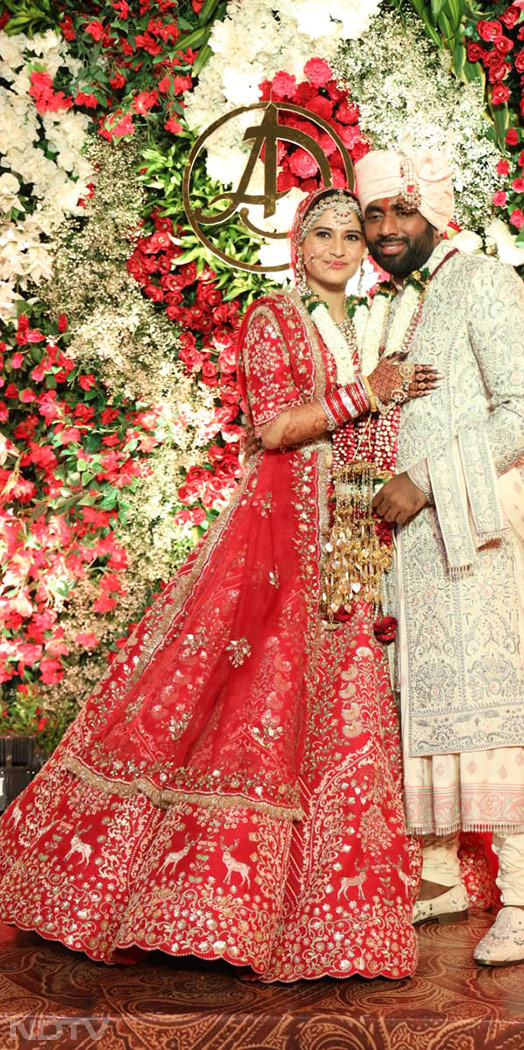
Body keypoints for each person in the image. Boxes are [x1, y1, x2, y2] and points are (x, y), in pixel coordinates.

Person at [0, 187, 440, 982]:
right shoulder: (275, 316)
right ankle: (179, 897)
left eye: (351, 234)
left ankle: (328, 919)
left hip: (344, 539)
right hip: (276, 538)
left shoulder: (364, 325)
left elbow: (368, 434)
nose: (340, 247)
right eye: (323, 234)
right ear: (297, 246)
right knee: (241, 703)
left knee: (342, 711)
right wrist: (369, 391)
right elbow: (273, 426)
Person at [354, 147, 524, 966]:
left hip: (471, 530)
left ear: (435, 210)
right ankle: (441, 877)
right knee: (424, 698)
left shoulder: (480, 279)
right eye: (373, 214)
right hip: (407, 545)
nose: (384, 230)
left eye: (399, 212)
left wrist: (424, 481)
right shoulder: (400, 301)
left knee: (492, 701)